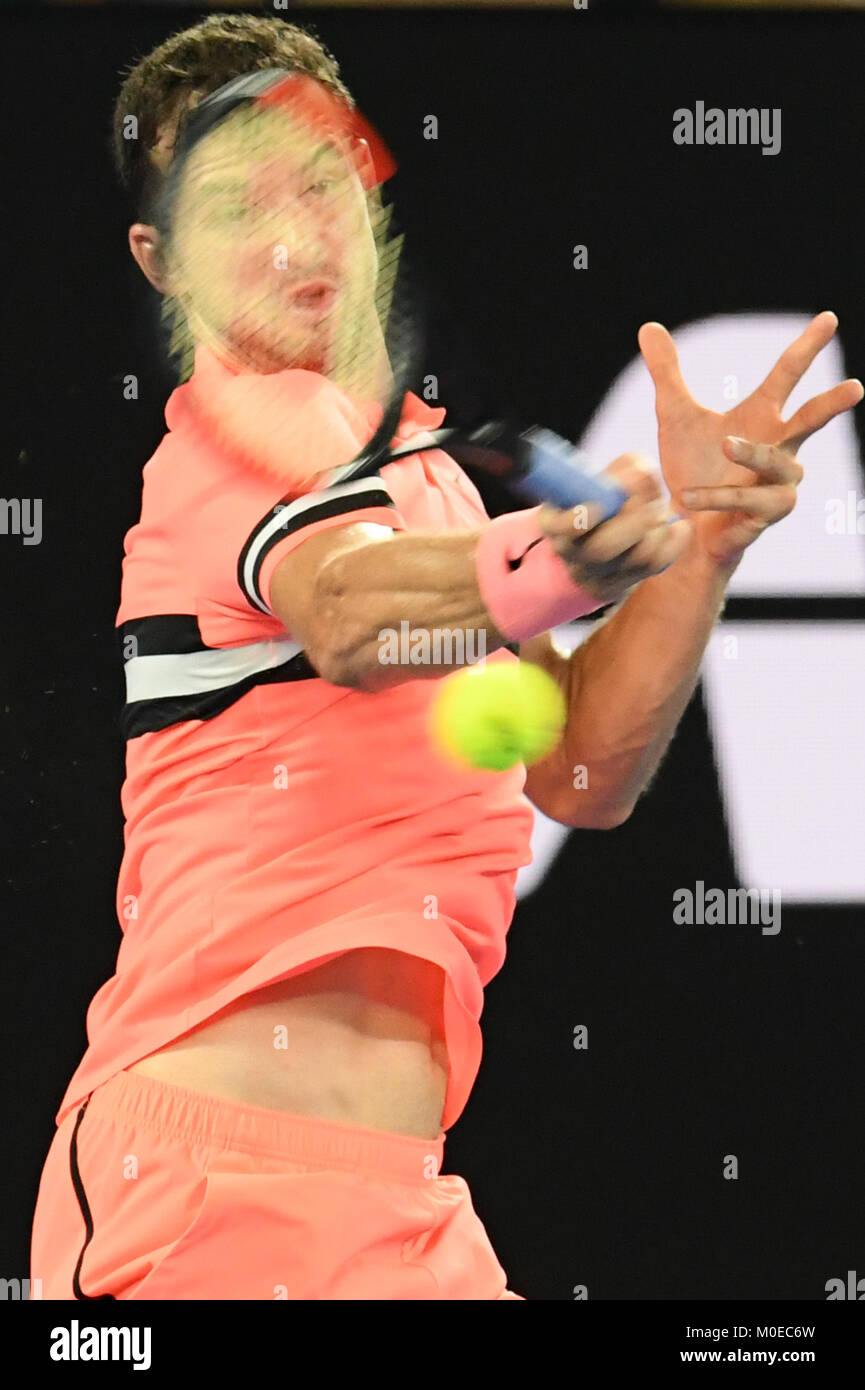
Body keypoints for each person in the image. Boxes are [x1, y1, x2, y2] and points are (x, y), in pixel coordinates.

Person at [29, 14, 861, 1301]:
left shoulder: (425, 485)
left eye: (318, 179)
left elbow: (584, 770)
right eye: (235, 205)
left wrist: (698, 545)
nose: (295, 231)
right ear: (162, 262)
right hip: (204, 1206)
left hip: (400, 1210)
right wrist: (564, 565)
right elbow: (354, 618)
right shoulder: (236, 443)